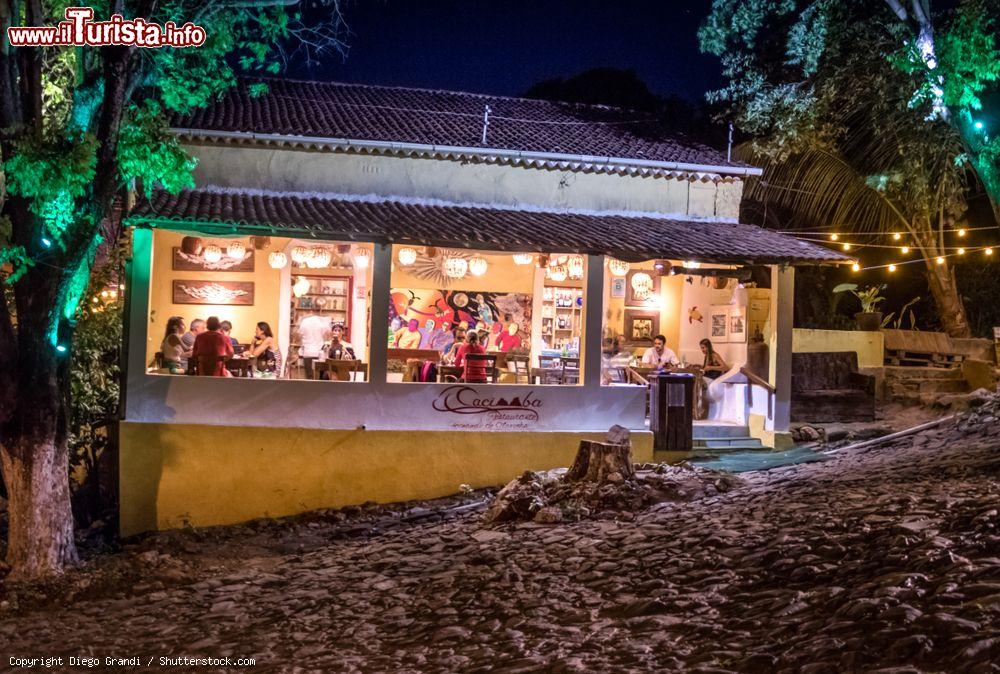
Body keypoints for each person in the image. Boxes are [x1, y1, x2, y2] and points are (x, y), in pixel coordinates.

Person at [298, 313, 328, 378]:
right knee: (320, 378)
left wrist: (302, 345)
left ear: (311, 311)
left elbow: (299, 336)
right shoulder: (322, 321)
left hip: (308, 353)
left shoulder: (304, 321)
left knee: (309, 378)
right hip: (320, 354)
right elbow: (327, 336)